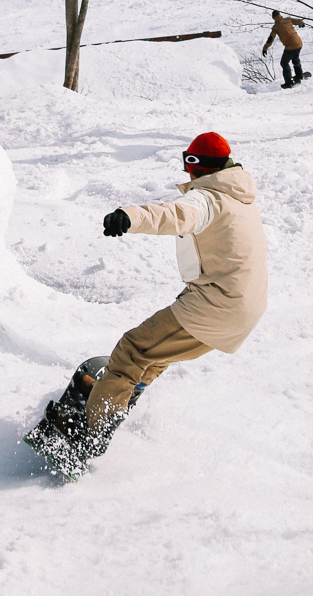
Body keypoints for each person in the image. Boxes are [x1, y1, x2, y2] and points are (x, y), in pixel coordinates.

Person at [84, 131, 267, 454]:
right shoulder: (240, 197)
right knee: (156, 356)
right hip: (243, 309)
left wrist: (130, 217)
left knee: (133, 350)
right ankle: (120, 398)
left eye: (188, 165)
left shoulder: (207, 198)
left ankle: (90, 432)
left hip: (216, 306)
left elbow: (175, 215)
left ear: (195, 166)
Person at [262, 10, 307, 88]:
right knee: (295, 59)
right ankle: (299, 76)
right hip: (299, 43)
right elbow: (298, 21)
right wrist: (302, 23)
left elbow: (271, 38)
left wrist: (265, 48)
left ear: (273, 18)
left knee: (284, 63)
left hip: (290, 46)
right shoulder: (288, 20)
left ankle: (289, 82)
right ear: (280, 15)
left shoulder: (276, 27)